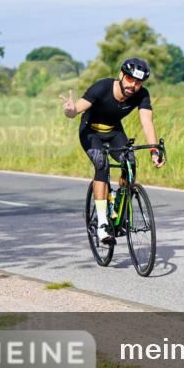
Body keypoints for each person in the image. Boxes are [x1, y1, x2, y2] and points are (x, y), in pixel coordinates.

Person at [60, 58, 164, 244]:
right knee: (102, 164)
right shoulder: (102, 87)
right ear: (121, 76)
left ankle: (118, 207)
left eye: (138, 82)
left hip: (114, 131)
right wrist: (70, 110)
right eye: (130, 80)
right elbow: (77, 109)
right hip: (90, 132)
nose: (134, 86)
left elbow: (147, 123)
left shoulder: (142, 95)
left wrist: (154, 151)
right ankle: (102, 224)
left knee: (130, 161)